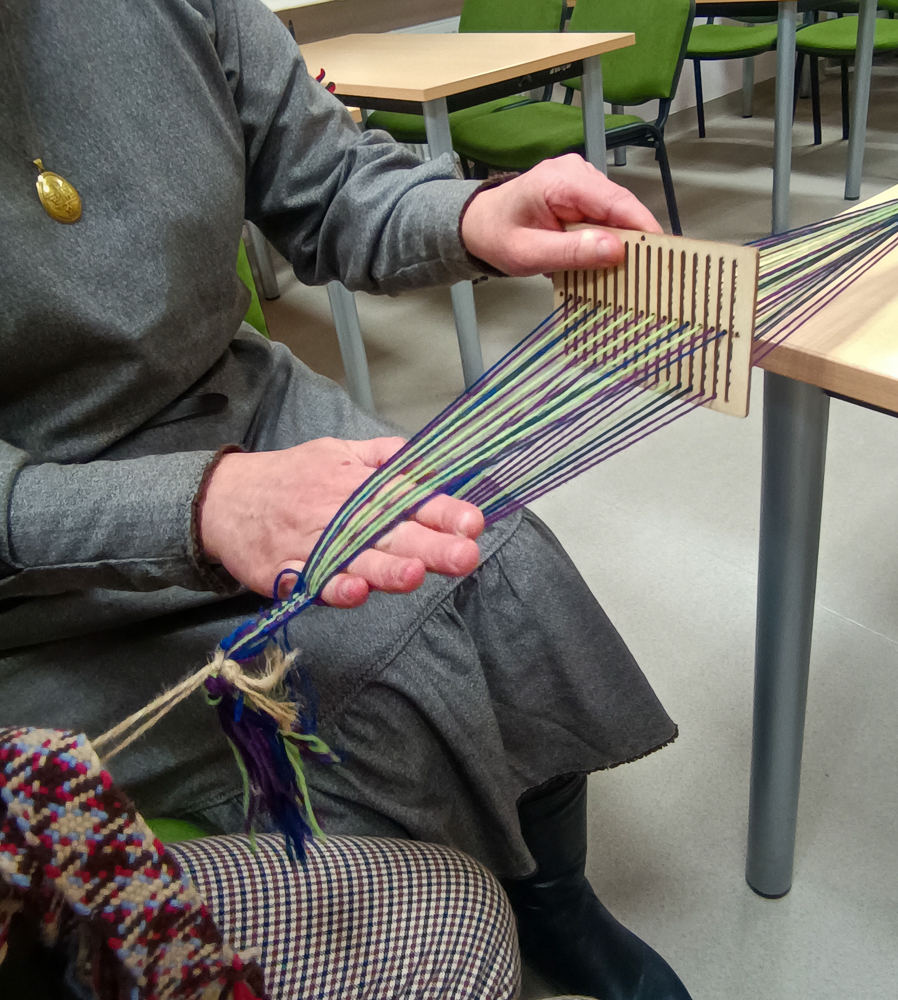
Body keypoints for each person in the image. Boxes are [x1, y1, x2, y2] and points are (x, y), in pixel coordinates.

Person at [0, 2, 690, 998]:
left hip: (235, 403)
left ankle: (554, 898)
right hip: (44, 558)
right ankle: (435, 901)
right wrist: (201, 503)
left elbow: (327, 181)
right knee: (356, 679)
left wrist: (472, 216)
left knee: (501, 554)